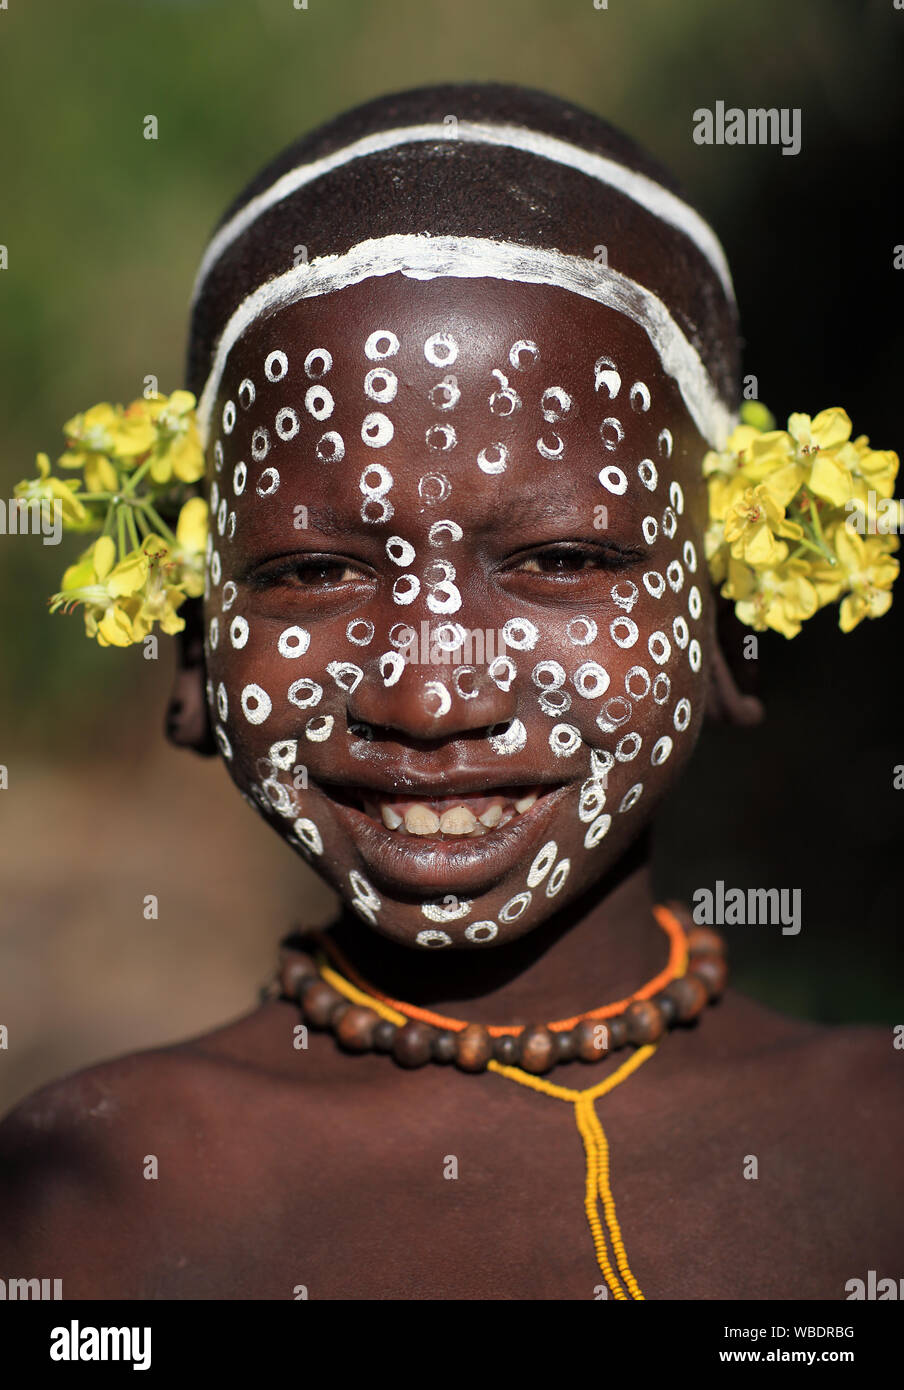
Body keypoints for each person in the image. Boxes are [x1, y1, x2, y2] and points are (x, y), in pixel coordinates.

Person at [1, 83, 900, 1301]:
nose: (429, 698)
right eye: (313, 572)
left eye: (563, 560)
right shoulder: (83, 1202)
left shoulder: (878, 1147)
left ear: (736, 616)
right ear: (198, 649)